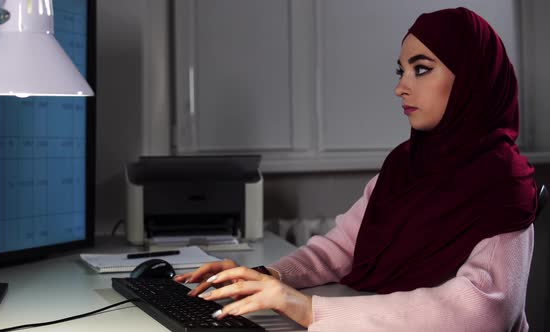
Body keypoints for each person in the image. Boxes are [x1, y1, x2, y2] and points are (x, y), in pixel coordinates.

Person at [174, 7, 538, 331]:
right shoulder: (405, 164)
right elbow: (341, 248)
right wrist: (269, 276)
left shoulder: (502, 184)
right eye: (402, 70)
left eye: (421, 69)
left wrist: (309, 310)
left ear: (472, 78)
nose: (400, 87)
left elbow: (481, 311)